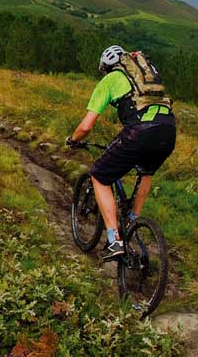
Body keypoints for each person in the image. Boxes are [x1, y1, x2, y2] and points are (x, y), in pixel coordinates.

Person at [67, 45, 176, 259]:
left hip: (141, 131)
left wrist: (73, 139)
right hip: (168, 130)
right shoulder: (145, 79)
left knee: (99, 176)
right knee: (146, 171)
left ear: (106, 67)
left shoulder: (109, 80)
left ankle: (114, 240)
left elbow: (86, 126)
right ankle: (134, 220)